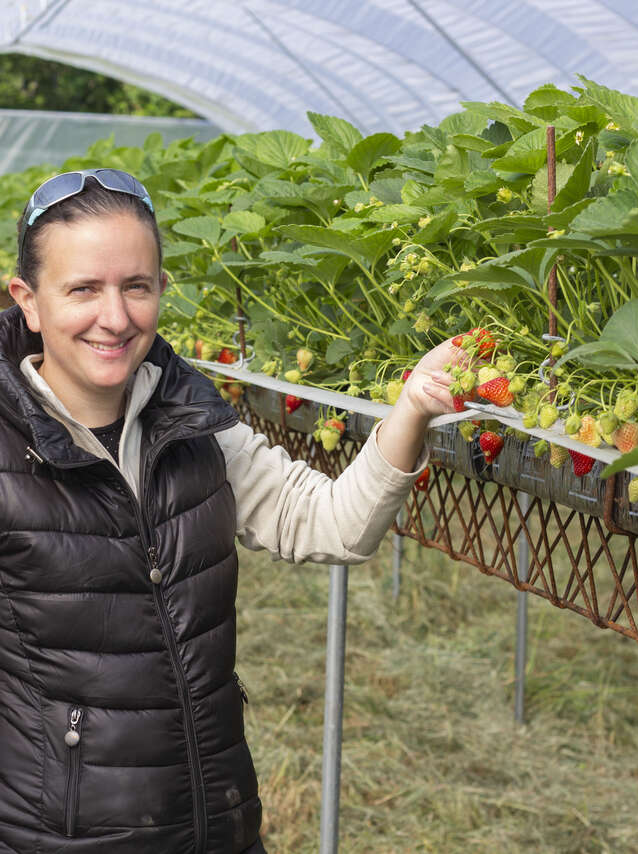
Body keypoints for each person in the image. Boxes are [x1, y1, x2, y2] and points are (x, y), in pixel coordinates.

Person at [0, 169, 459, 854]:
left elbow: (328, 521)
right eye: (84, 290)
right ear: (28, 302)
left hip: (216, 821)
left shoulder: (193, 425)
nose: (116, 317)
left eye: (137, 286)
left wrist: (414, 408)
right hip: (59, 836)